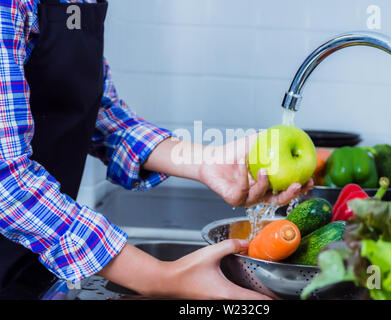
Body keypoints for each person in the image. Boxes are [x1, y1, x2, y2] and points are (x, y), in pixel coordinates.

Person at [0, 0, 312, 300]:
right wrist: (161, 277)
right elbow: (6, 179)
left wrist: (207, 161)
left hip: (39, 266)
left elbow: (107, 120)